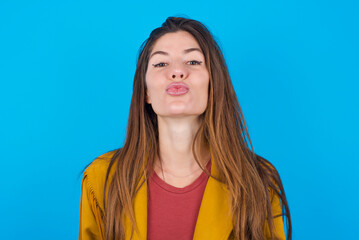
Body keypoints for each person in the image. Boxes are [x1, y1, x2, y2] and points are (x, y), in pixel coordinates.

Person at [79, 17, 292, 240]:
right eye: (161, 64)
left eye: (193, 62)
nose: (177, 71)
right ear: (146, 92)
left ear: (213, 85)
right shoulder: (101, 180)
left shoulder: (258, 180)